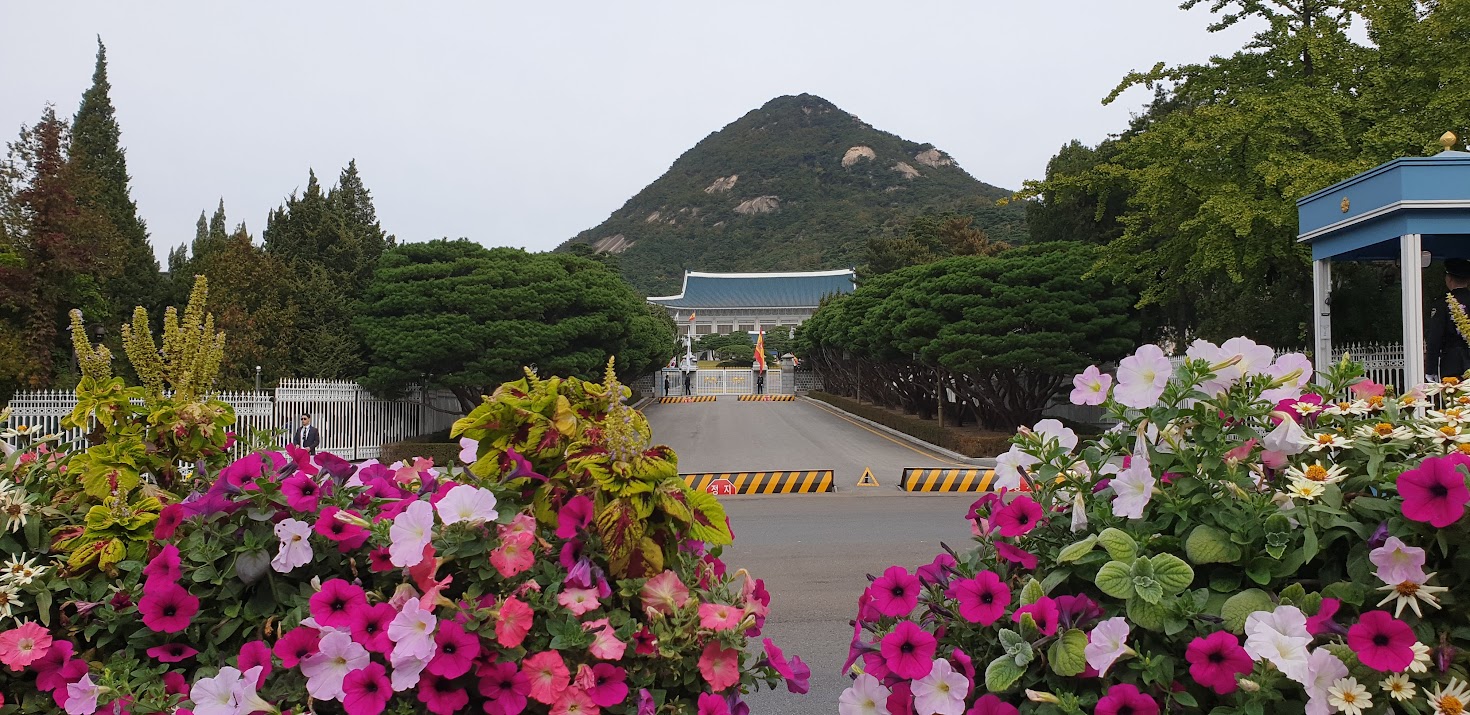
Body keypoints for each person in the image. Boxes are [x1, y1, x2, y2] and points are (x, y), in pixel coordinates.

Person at [1426, 258, 1470, 381]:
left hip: (1452, 362)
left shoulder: (1442, 304)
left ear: (1448, 278)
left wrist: (1431, 369)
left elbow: (1435, 337)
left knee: (1454, 398)